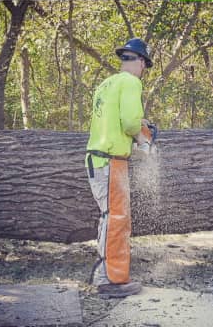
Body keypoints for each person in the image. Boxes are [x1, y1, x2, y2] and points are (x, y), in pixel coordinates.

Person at [85, 38, 153, 298]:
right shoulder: (131, 82)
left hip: (97, 158)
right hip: (111, 161)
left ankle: (103, 273)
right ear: (140, 61)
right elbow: (128, 123)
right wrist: (142, 139)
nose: (143, 70)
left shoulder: (106, 84)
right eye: (144, 64)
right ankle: (110, 281)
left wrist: (139, 122)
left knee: (109, 217)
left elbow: (116, 118)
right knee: (117, 220)